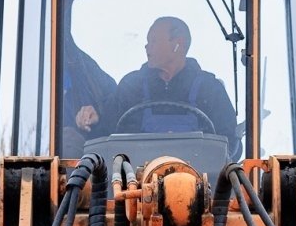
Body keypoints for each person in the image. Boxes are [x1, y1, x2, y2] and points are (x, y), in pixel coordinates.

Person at [73, 16, 240, 159]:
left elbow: (230, 147)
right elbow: (104, 135)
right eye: (147, 42)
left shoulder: (210, 89)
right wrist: (92, 120)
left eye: (153, 40)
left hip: (202, 189)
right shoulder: (131, 86)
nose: (147, 47)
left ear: (178, 44)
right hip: (134, 190)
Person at [60, 39, 117, 157]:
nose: (147, 46)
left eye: (153, 41)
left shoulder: (86, 72)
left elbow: (118, 114)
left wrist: (97, 116)